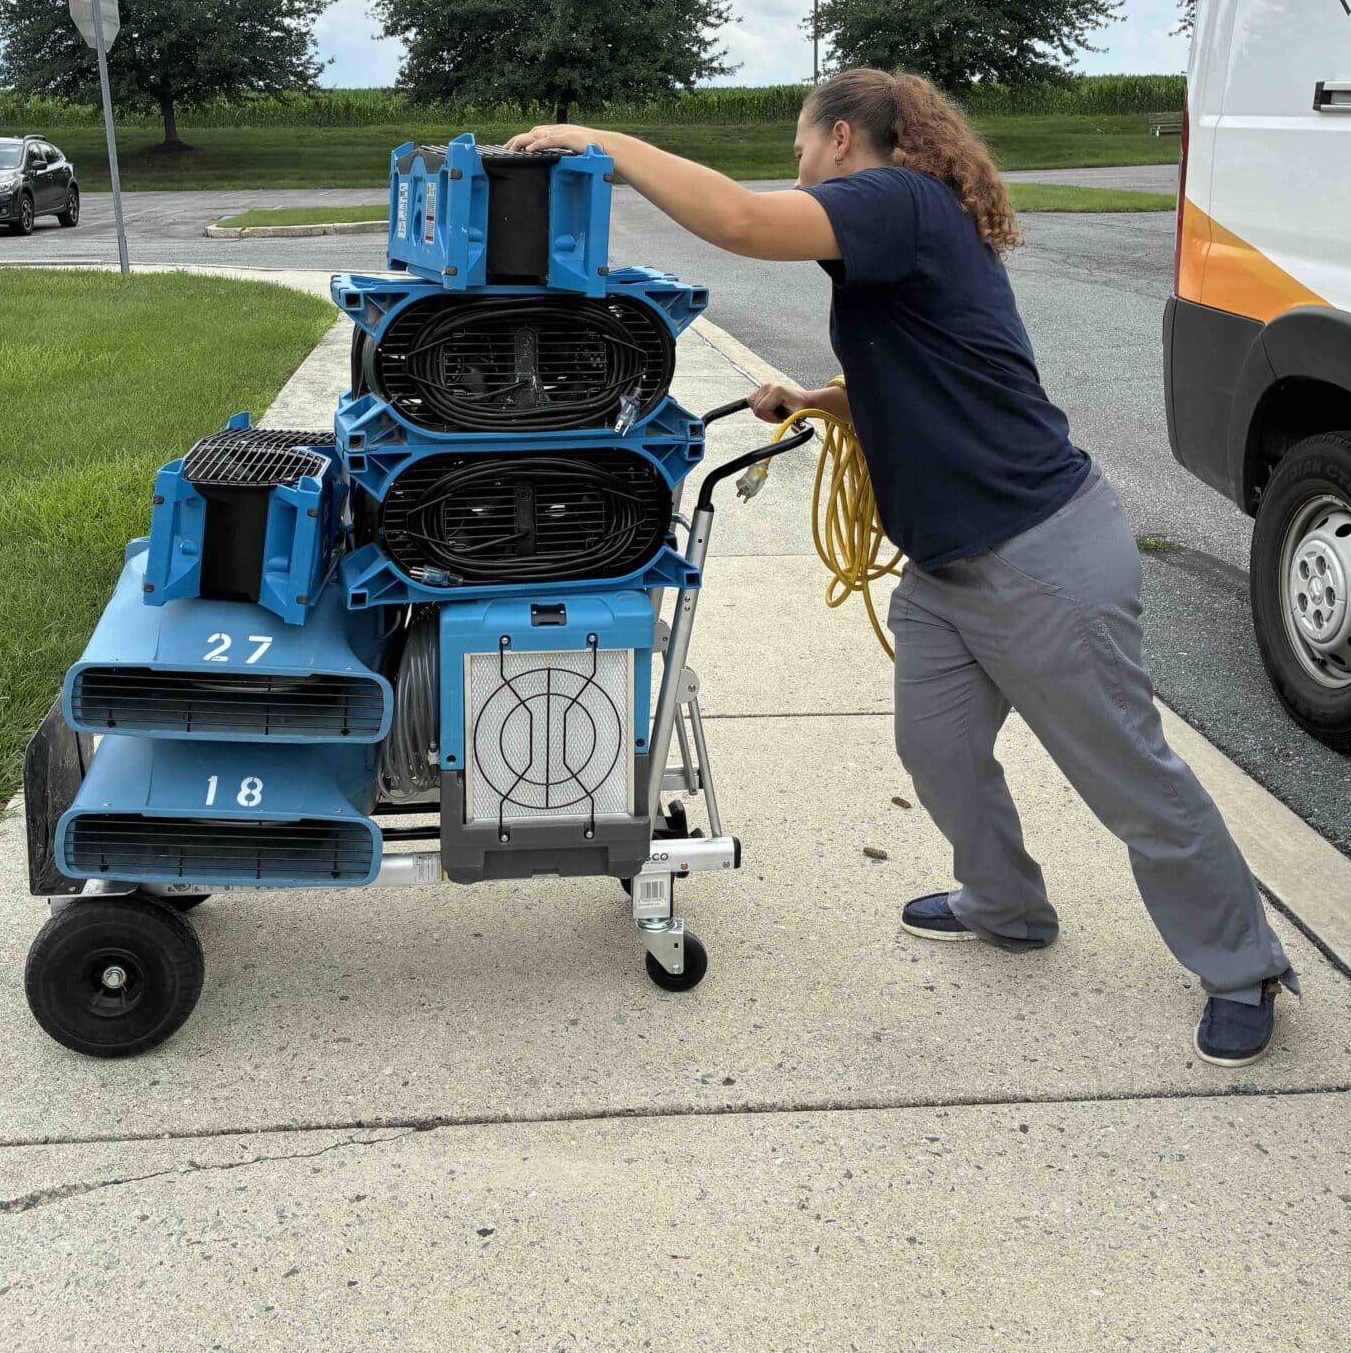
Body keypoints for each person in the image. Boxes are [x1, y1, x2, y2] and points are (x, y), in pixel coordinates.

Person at [507, 67, 1298, 1065]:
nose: (796, 169)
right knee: (936, 747)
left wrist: (602, 142)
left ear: (842, 138)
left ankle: (1243, 964)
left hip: (1039, 551)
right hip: (950, 565)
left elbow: (745, 222)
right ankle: (1008, 903)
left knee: (1131, 777)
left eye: (800, 146)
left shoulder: (895, 197)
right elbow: (922, 362)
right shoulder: (905, 227)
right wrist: (813, 399)